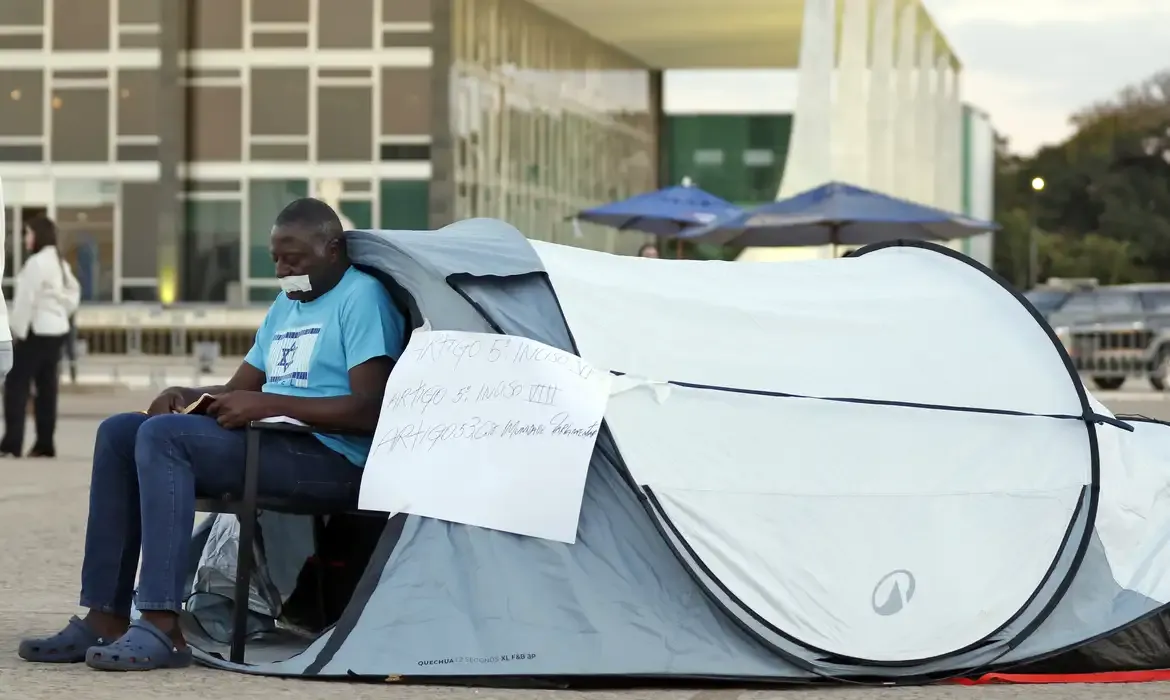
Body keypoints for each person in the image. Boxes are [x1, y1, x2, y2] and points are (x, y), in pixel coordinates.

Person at [17, 198, 406, 671]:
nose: (284, 270)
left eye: (295, 260)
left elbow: (370, 409)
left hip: (334, 458)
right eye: (276, 260)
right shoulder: (287, 305)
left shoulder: (361, 297)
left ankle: (162, 625)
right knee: (121, 431)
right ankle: (106, 616)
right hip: (274, 440)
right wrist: (186, 393)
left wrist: (269, 403)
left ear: (332, 248)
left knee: (166, 439)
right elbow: (238, 390)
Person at [1, 215, 81, 458]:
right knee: (48, 390)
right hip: (55, 332)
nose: (26, 238)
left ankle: (11, 443)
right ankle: (45, 444)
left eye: (27, 233)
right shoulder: (59, 263)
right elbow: (73, 295)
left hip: (34, 332)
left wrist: (16, 331)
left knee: (16, 387)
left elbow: (26, 301)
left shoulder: (36, 263)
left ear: (38, 235)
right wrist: (59, 312)